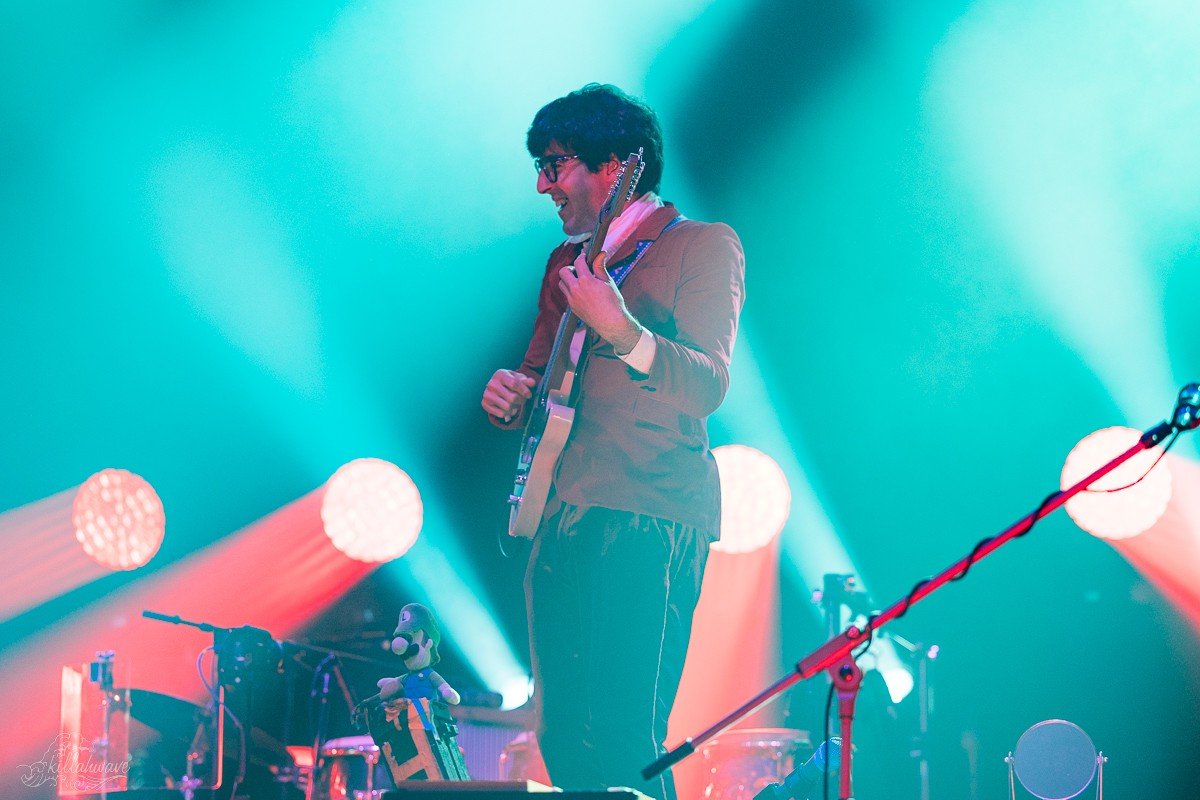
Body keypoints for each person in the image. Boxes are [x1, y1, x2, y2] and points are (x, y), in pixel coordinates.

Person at [480, 83, 745, 800]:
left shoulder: (702, 246)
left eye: (556, 163)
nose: (543, 184)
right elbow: (539, 381)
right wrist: (510, 395)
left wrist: (622, 327)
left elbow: (708, 386)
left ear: (615, 166)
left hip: (651, 510)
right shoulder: (562, 265)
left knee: (627, 739)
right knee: (562, 737)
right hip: (564, 513)